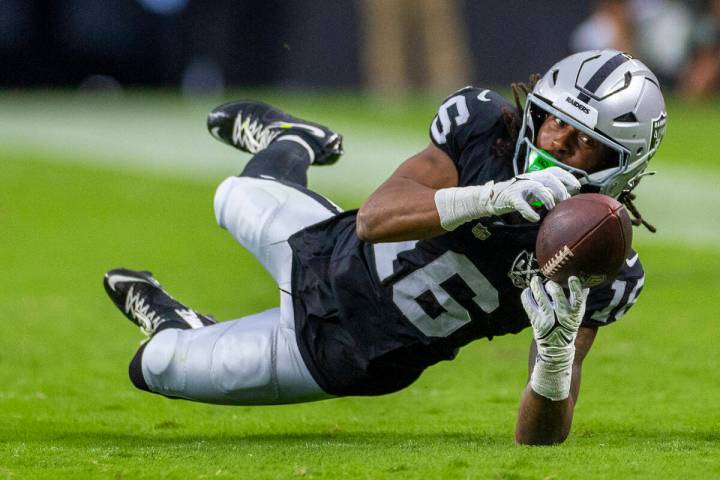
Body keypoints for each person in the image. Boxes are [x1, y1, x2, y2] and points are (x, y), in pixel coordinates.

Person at [103, 49, 667, 445]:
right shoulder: (483, 129)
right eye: (552, 123)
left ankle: (185, 327)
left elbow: (537, 441)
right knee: (230, 195)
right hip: (319, 247)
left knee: (155, 365)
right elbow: (376, 219)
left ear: (622, 166)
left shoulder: (601, 264)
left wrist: (555, 355)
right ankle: (294, 141)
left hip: (335, 354)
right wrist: (492, 196)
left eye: (584, 144)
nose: (555, 144)